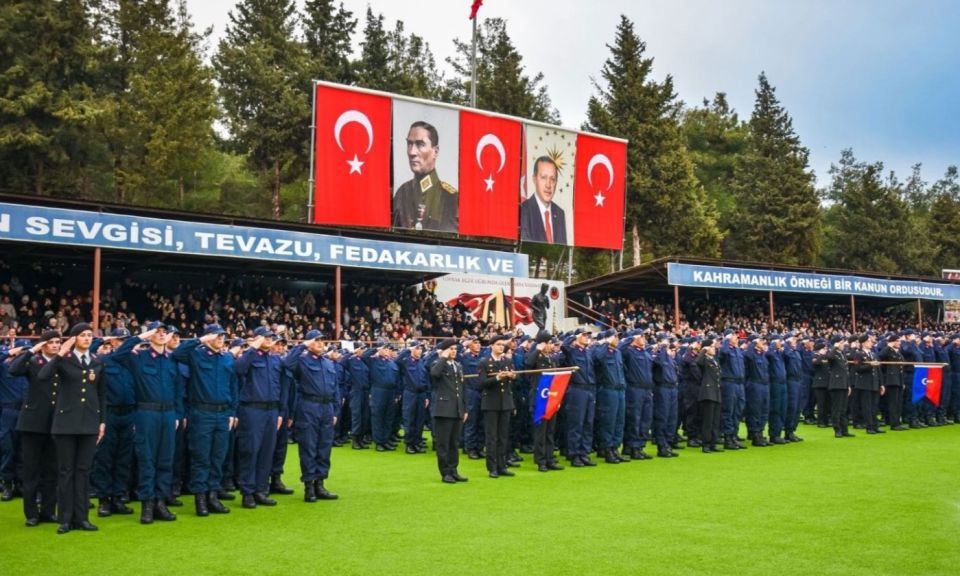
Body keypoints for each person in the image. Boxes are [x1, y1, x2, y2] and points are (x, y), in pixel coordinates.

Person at [38, 323, 106, 534]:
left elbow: (102, 394)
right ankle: (65, 518)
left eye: (89, 335)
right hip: (66, 424)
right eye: (82, 335)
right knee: (66, 471)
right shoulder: (64, 360)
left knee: (83, 471)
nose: (87, 338)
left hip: (88, 423)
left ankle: (82, 517)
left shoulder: (96, 361)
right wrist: (60, 352)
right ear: (74, 338)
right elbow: (43, 375)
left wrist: (102, 421)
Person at [112, 322, 181, 524]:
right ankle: (147, 504)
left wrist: (177, 414)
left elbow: (177, 389)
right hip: (146, 412)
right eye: (157, 332)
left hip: (168, 413)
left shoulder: (171, 359)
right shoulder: (139, 357)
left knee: (165, 459)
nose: (161, 335)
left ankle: (160, 502)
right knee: (147, 459)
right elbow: (118, 355)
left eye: (164, 332)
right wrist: (140, 337)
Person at [172, 323, 238, 516]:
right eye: (217, 336)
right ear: (208, 337)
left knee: (218, 457)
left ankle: (213, 496)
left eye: (222, 336)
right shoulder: (196, 354)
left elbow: (232, 386)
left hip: (222, 413)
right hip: (202, 412)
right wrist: (200, 340)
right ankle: (200, 498)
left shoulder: (226, 358)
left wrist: (232, 412)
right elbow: (177, 354)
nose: (221, 339)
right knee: (201, 457)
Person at [8, 330, 60, 527]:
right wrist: (32, 350)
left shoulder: (61, 361)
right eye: (51, 342)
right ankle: (31, 513)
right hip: (32, 422)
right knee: (31, 470)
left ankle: (48, 511)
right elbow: (13, 370)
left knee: (51, 470)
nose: (55, 345)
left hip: (55, 423)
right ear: (43, 345)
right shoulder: (33, 361)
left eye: (57, 342)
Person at [234, 327, 290, 509]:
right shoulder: (250, 356)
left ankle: (261, 490)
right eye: (265, 337)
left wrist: (281, 412)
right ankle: (247, 492)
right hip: (252, 409)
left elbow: (281, 386)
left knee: (267, 451)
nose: (269, 339)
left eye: (271, 337)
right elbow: (239, 369)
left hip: (272, 410)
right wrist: (253, 347)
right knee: (250, 451)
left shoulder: (275, 359)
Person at [283, 331, 339, 501]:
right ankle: (309, 486)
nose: (321, 343)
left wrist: (335, 410)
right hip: (309, 406)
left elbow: (335, 387)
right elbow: (287, 363)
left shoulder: (328, 363)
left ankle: (320, 484)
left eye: (322, 340)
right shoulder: (302, 360)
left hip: (326, 407)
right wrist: (303, 345)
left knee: (324, 446)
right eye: (317, 340)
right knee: (308, 445)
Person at [89, 328, 137, 519]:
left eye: (126, 340)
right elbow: (89, 349)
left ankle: (118, 496)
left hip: (129, 413)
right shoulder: (103, 360)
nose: (122, 343)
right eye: (119, 340)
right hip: (109, 413)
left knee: (123, 458)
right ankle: (104, 499)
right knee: (105, 458)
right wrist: (103, 339)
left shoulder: (133, 361)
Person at [393, 121, 458, 232]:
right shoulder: (402, 193)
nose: (412, 152)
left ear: (435, 151)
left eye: (420, 144)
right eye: (409, 144)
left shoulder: (450, 198)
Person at [428, 339, 468, 484]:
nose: (454, 351)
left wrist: (464, 408)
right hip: (443, 409)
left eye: (455, 349)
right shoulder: (437, 364)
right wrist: (443, 357)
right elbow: (434, 374)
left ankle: (454, 470)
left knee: (454, 442)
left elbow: (461, 389)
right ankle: (445, 472)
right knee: (443, 443)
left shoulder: (457, 365)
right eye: (450, 348)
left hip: (456, 408)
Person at [477, 334, 516, 478]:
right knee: (492, 437)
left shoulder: (506, 361)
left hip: (505, 402)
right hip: (491, 403)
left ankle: (502, 465)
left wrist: (512, 376)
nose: (501, 346)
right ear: (492, 346)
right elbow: (481, 384)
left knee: (503, 436)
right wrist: (497, 378)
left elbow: (513, 379)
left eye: (502, 344)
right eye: (498, 344)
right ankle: (492, 467)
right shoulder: (484, 362)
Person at [525, 332, 564, 472]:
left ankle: (549, 458)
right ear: (542, 343)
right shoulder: (535, 355)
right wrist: (538, 349)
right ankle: (540, 460)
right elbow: (528, 365)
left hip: (551, 397)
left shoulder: (552, 358)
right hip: (539, 398)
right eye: (549, 343)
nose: (551, 346)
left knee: (550, 431)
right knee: (540, 432)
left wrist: (557, 399)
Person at [560, 329, 597, 467]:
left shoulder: (588, 352)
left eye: (588, 335)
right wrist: (574, 337)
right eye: (584, 335)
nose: (587, 337)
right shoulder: (572, 351)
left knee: (588, 422)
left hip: (589, 389)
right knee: (577, 423)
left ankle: (584, 452)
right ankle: (574, 454)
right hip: (577, 389)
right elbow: (564, 346)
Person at [0, 338, 30, 501]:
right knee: (8, 449)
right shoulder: (5, 368)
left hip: (26, 411)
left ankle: (20, 482)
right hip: (9, 411)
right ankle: (7, 483)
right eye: (23, 351)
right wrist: (7, 353)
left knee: (24, 450)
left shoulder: (31, 369)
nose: (26, 355)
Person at [591, 330, 627, 463]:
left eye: (617, 336)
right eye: (614, 336)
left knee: (619, 420)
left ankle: (615, 447)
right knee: (609, 421)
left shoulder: (617, 353)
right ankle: (606, 449)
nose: (617, 339)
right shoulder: (601, 351)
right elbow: (596, 358)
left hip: (619, 389)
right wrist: (605, 343)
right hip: (607, 390)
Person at [619, 330, 655, 460]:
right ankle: (632, 446)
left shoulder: (645, 352)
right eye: (641, 336)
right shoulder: (629, 351)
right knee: (634, 418)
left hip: (646, 389)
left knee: (645, 419)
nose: (644, 338)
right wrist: (630, 338)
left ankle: (640, 446)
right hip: (635, 389)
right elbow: (620, 349)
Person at [520, 156, 567, 244]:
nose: (548, 185)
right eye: (544, 177)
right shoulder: (524, 210)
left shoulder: (560, 213)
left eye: (552, 179)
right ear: (534, 179)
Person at [696, 339, 723, 453]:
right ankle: (706, 443)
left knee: (715, 420)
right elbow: (698, 362)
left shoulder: (714, 360)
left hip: (715, 392)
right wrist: (703, 350)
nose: (714, 348)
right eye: (711, 346)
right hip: (708, 392)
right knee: (708, 420)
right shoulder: (704, 360)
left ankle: (713, 442)